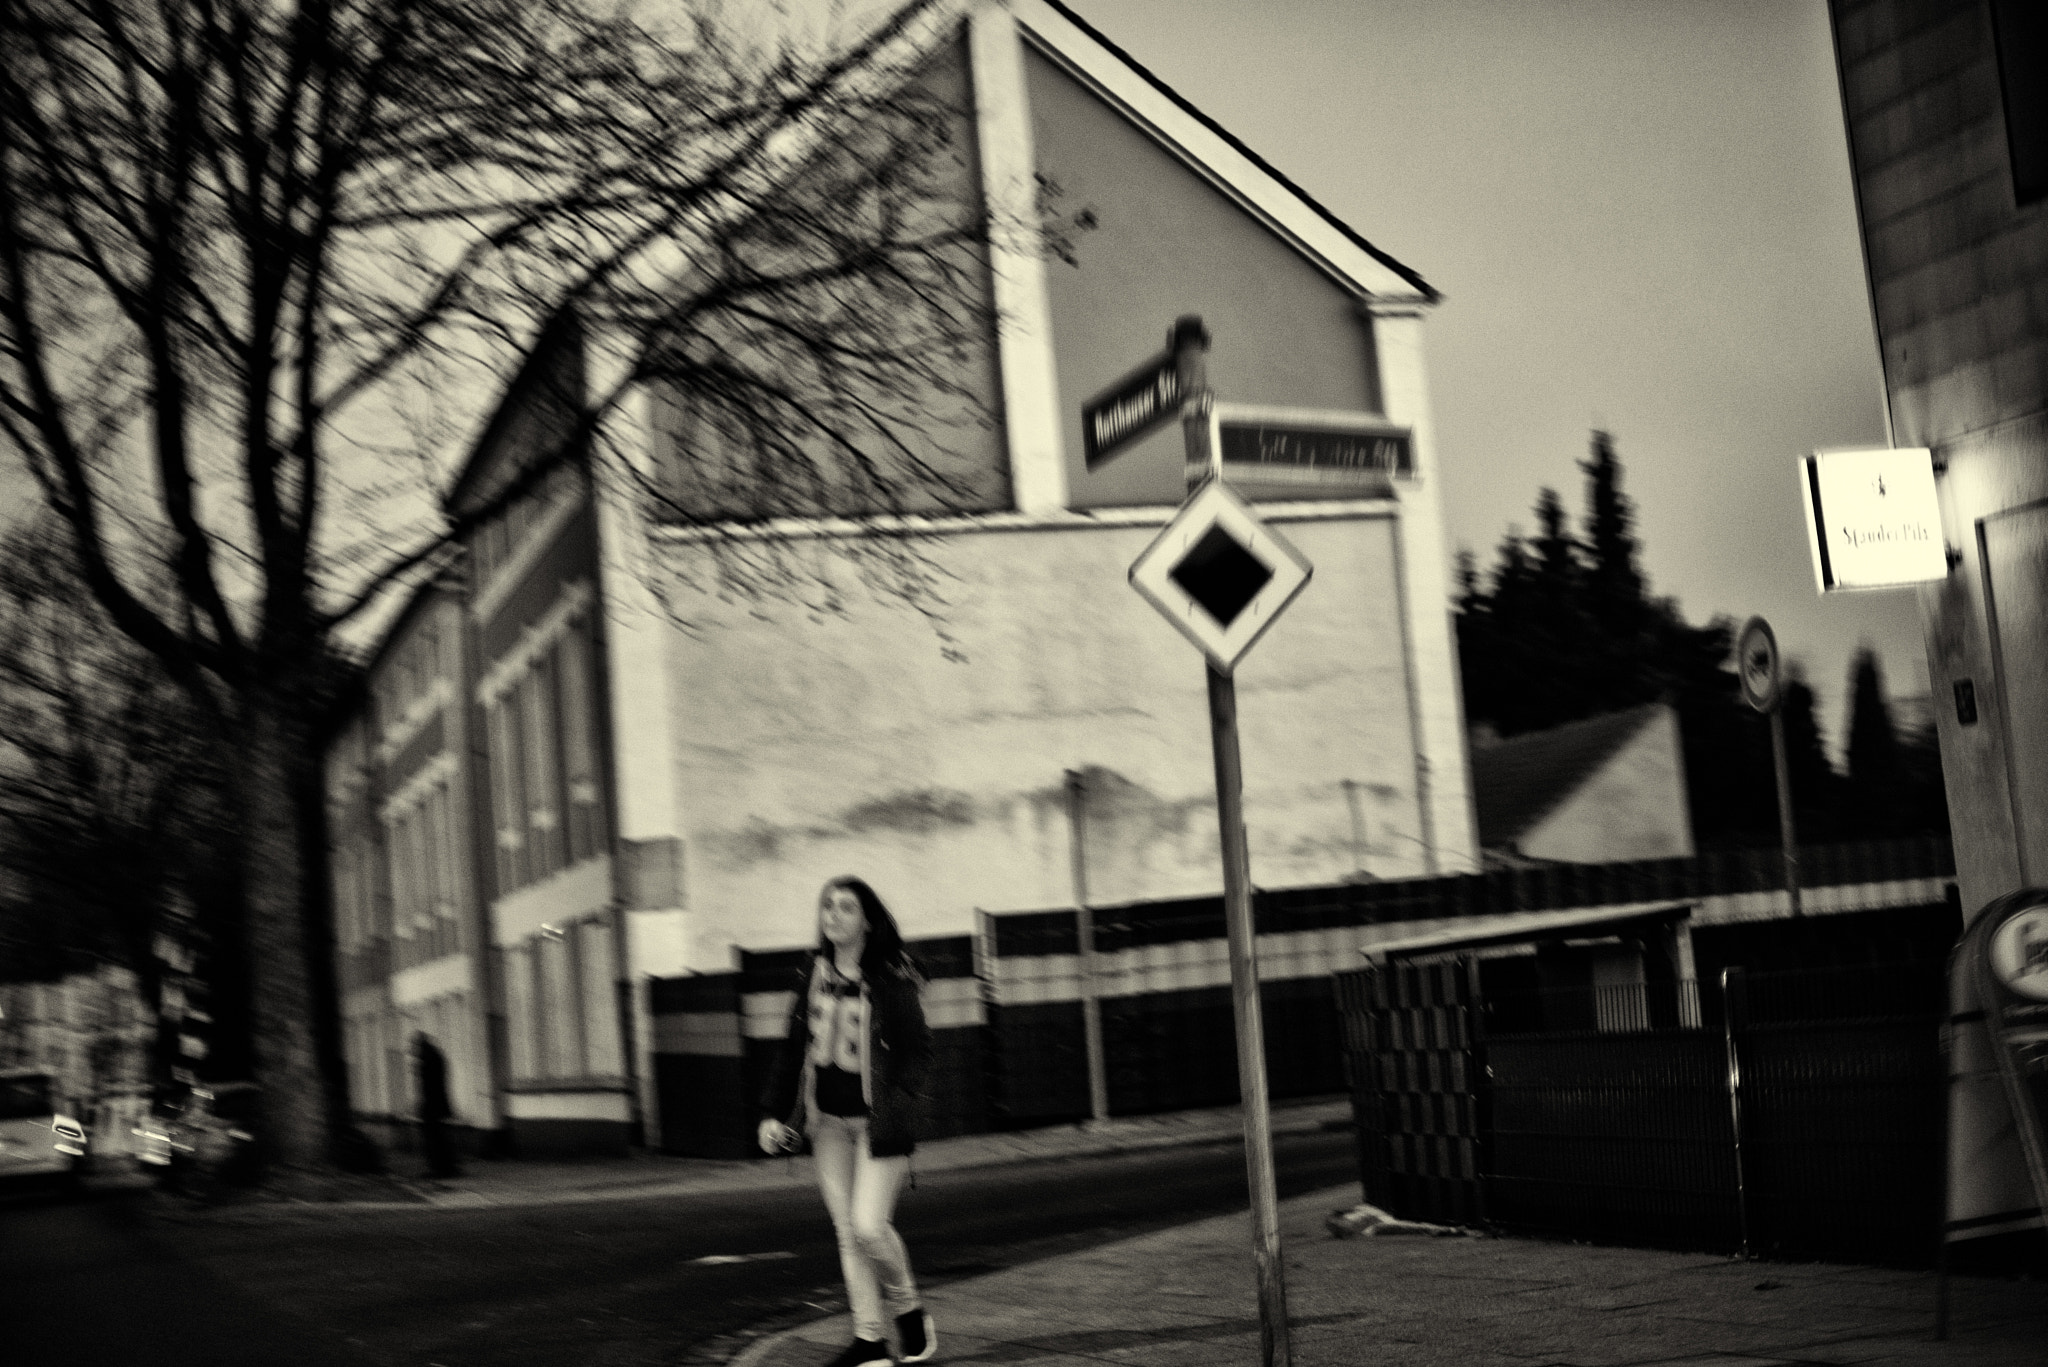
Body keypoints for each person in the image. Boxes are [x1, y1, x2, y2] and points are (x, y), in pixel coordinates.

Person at [760, 877, 937, 1367]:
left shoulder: (889, 980)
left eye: (845, 907)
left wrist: (900, 1105)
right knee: (847, 1231)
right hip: (828, 1124)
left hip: (879, 1126)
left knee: (868, 1226)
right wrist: (773, 1114)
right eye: (827, 906)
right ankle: (869, 1343)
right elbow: (792, 1050)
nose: (833, 915)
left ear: (866, 921)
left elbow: (919, 1052)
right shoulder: (811, 975)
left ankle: (908, 1308)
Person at [413, 1032, 461, 1179]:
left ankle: (438, 1168)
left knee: (433, 1139)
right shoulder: (437, 1056)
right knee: (441, 1137)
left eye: (415, 1046)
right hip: (439, 1104)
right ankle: (448, 1167)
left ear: (420, 1045)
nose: (414, 1051)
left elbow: (427, 1086)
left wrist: (422, 1106)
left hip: (431, 1105)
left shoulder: (426, 1059)